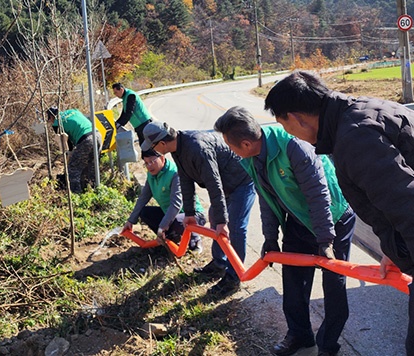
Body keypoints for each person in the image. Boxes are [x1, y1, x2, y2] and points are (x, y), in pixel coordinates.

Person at [265, 70, 414, 356]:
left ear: (295, 117)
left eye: (283, 124)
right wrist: (394, 247)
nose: (288, 132)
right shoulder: (358, 116)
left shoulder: (356, 138)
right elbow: (406, 199)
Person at [214, 106, 356, 356]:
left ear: (246, 143)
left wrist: (325, 241)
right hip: (300, 220)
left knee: (333, 283)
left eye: (231, 144)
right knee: (293, 281)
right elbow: (267, 197)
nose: (231, 150)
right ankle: (300, 336)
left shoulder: (292, 147)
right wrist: (270, 237)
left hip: (333, 218)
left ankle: (328, 346)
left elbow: (318, 196)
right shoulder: (251, 159)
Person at [140, 120, 256, 298]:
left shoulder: (196, 148)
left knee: (235, 226)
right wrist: (189, 214)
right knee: (214, 217)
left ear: (162, 143)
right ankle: (219, 264)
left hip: (241, 181)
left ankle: (233, 278)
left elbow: (213, 184)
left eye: (153, 146)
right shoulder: (177, 149)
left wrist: (222, 221)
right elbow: (185, 180)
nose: (154, 150)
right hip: (226, 183)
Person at [123, 150, 206, 252]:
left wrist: (162, 226)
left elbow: (176, 205)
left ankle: (194, 238)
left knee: (176, 222)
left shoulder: (175, 174)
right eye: (146, 163)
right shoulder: (151, 175)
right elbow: (143, 198)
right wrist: (131, 220)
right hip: (171, 214)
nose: (149, 166)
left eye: (152, 161)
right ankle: (169, 238)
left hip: (192, 215)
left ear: (162, 158)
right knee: (144, 212)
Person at [47, 106, 101, 194]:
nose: (51, 122)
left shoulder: (57, 124)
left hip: (85, 139)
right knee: (92, 166)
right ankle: (94, 190)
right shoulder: (73, 111)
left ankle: (76, 194)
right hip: (97, 135)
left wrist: (68, 159)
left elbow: (67, 145)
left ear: (52, 117)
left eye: (50, 119)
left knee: (73, 169)